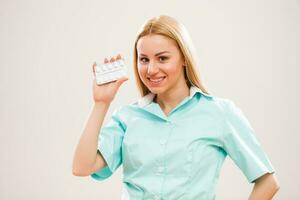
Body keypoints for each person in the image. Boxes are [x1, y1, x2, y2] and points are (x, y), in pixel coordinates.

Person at [72, 15, 280, 200]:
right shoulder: (127, 117)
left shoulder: (219, 113)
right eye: (144, 59)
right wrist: (101, 103)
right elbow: (82, 167)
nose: (151, 69)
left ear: (184, 58)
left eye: (162, 58)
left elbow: (268, 182)